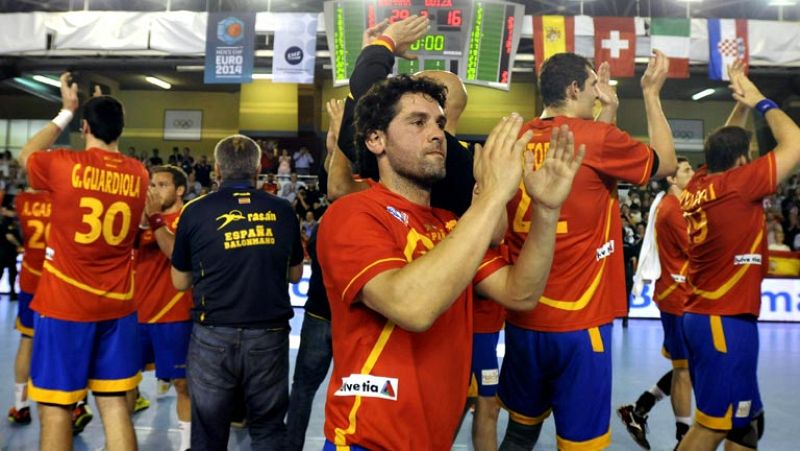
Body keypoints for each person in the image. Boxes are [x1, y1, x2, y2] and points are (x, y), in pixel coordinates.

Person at [317, 74, 584, 449]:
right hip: (366, 441)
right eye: (418, 122)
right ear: (376, 139)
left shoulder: (449, 225)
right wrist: (492, 197)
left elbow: (520, 293)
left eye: (439, 122)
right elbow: (412, 307)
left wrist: (546, 209)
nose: (437, 133)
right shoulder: (353, 214)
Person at [496, 50, 676, 450]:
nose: (600, 92)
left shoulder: (518, 138)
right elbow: (666, 163)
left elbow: (586, 166)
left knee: (520, 432)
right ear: (575, 87)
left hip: (525, 316)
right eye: (595, 85)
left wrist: (605, 113)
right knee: (582, 444)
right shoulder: (596, 138)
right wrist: (651, 95)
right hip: (580, 322)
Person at [19, 73, 148, 451]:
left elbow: (27, 157)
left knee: (56, 409)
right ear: (120, 129)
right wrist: (96, 108)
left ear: (86, 127)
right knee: (114, 407)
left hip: (65, 306)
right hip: (118, 306)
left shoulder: (63, 165)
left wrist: (66, 111)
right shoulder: (138, 174)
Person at [677, 65, 800, 451]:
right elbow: (794, 141)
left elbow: (723, 147)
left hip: (714, 317)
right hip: (723, 321)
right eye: (747, 155)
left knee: (747, 425)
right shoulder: (739, 185)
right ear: (742, 161)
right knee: (713, 426)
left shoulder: (702, 183)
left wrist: (740, 106)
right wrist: (759, 100)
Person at [171, 135, 304, 451]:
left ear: (217, 169)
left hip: (213, 335)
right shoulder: (282, 210)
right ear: (258, 169)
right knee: (269, 430)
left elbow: (179, 282)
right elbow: (296, 273)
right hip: (268, 335)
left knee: (208, 433)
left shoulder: (194, 211)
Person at [334, 15, 476, 217]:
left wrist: (386, 43)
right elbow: (361, 114)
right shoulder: (465, 158)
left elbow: (367, 93)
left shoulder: (453, 159)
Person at [618, 157, 696, 449]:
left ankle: (639, 409)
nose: (693, 174)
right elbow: (697, 250)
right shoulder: (673, 211)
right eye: (687, 170)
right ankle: (684, 440)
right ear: (672, 180)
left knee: (687, 366)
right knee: (685, 369)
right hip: (676, 297)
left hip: (682, 295)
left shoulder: (680, 206)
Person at [134, 165, 193, 451]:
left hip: (174, 316)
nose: (154, 191)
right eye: (151, 185)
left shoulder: (188, 219)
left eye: (162, 185)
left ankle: (186, 445)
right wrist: (145, 222)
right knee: (121, 384)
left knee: (183, 385)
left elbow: (174, 253)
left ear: (179, 190)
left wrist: (154, 219)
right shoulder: (140, 220)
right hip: (136, 314)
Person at [7, 189, 51, 426]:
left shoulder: (23, 200)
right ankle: (76, 405)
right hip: (59, 280)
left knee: (27, 340)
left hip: (31, 281)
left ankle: (20, 405)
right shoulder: (64, 196)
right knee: (65, 342)